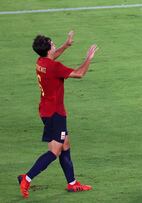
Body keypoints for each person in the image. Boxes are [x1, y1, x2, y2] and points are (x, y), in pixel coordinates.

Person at [18, 31, 98, 198]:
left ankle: (72, 183)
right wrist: (88, 59)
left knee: (65, 144)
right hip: (56, 113)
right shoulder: (54, 67)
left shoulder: (41, 62)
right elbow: (79, 74)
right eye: (52, 43)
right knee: (54, 151)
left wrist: (66, 45)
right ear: (48, 49)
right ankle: (27, 178)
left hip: (46, 110)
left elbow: (52, 57)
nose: (54, 45)